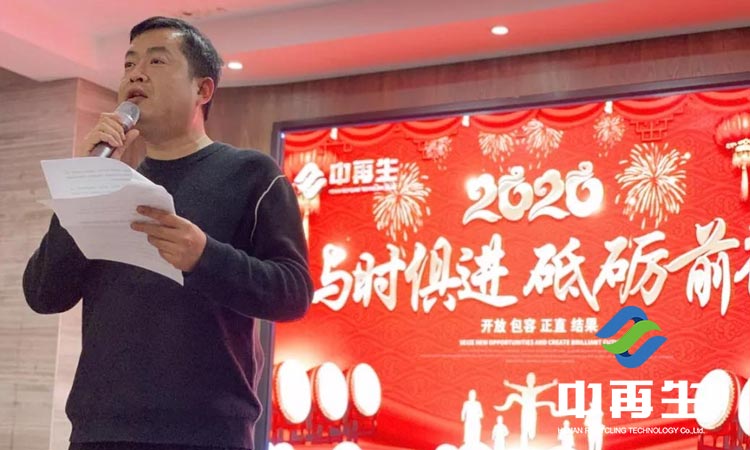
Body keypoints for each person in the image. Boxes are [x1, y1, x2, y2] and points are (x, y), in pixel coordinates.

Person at [22, 16, 313, 450]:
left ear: (203, 90)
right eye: (129, 64)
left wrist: (205, 257)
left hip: (207, 435)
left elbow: (293, 292)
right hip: (100, 433)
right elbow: (43, 294)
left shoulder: (252, 175)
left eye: (156, 61)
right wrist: (81, 181)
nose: (135, 74)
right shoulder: (109, 184)